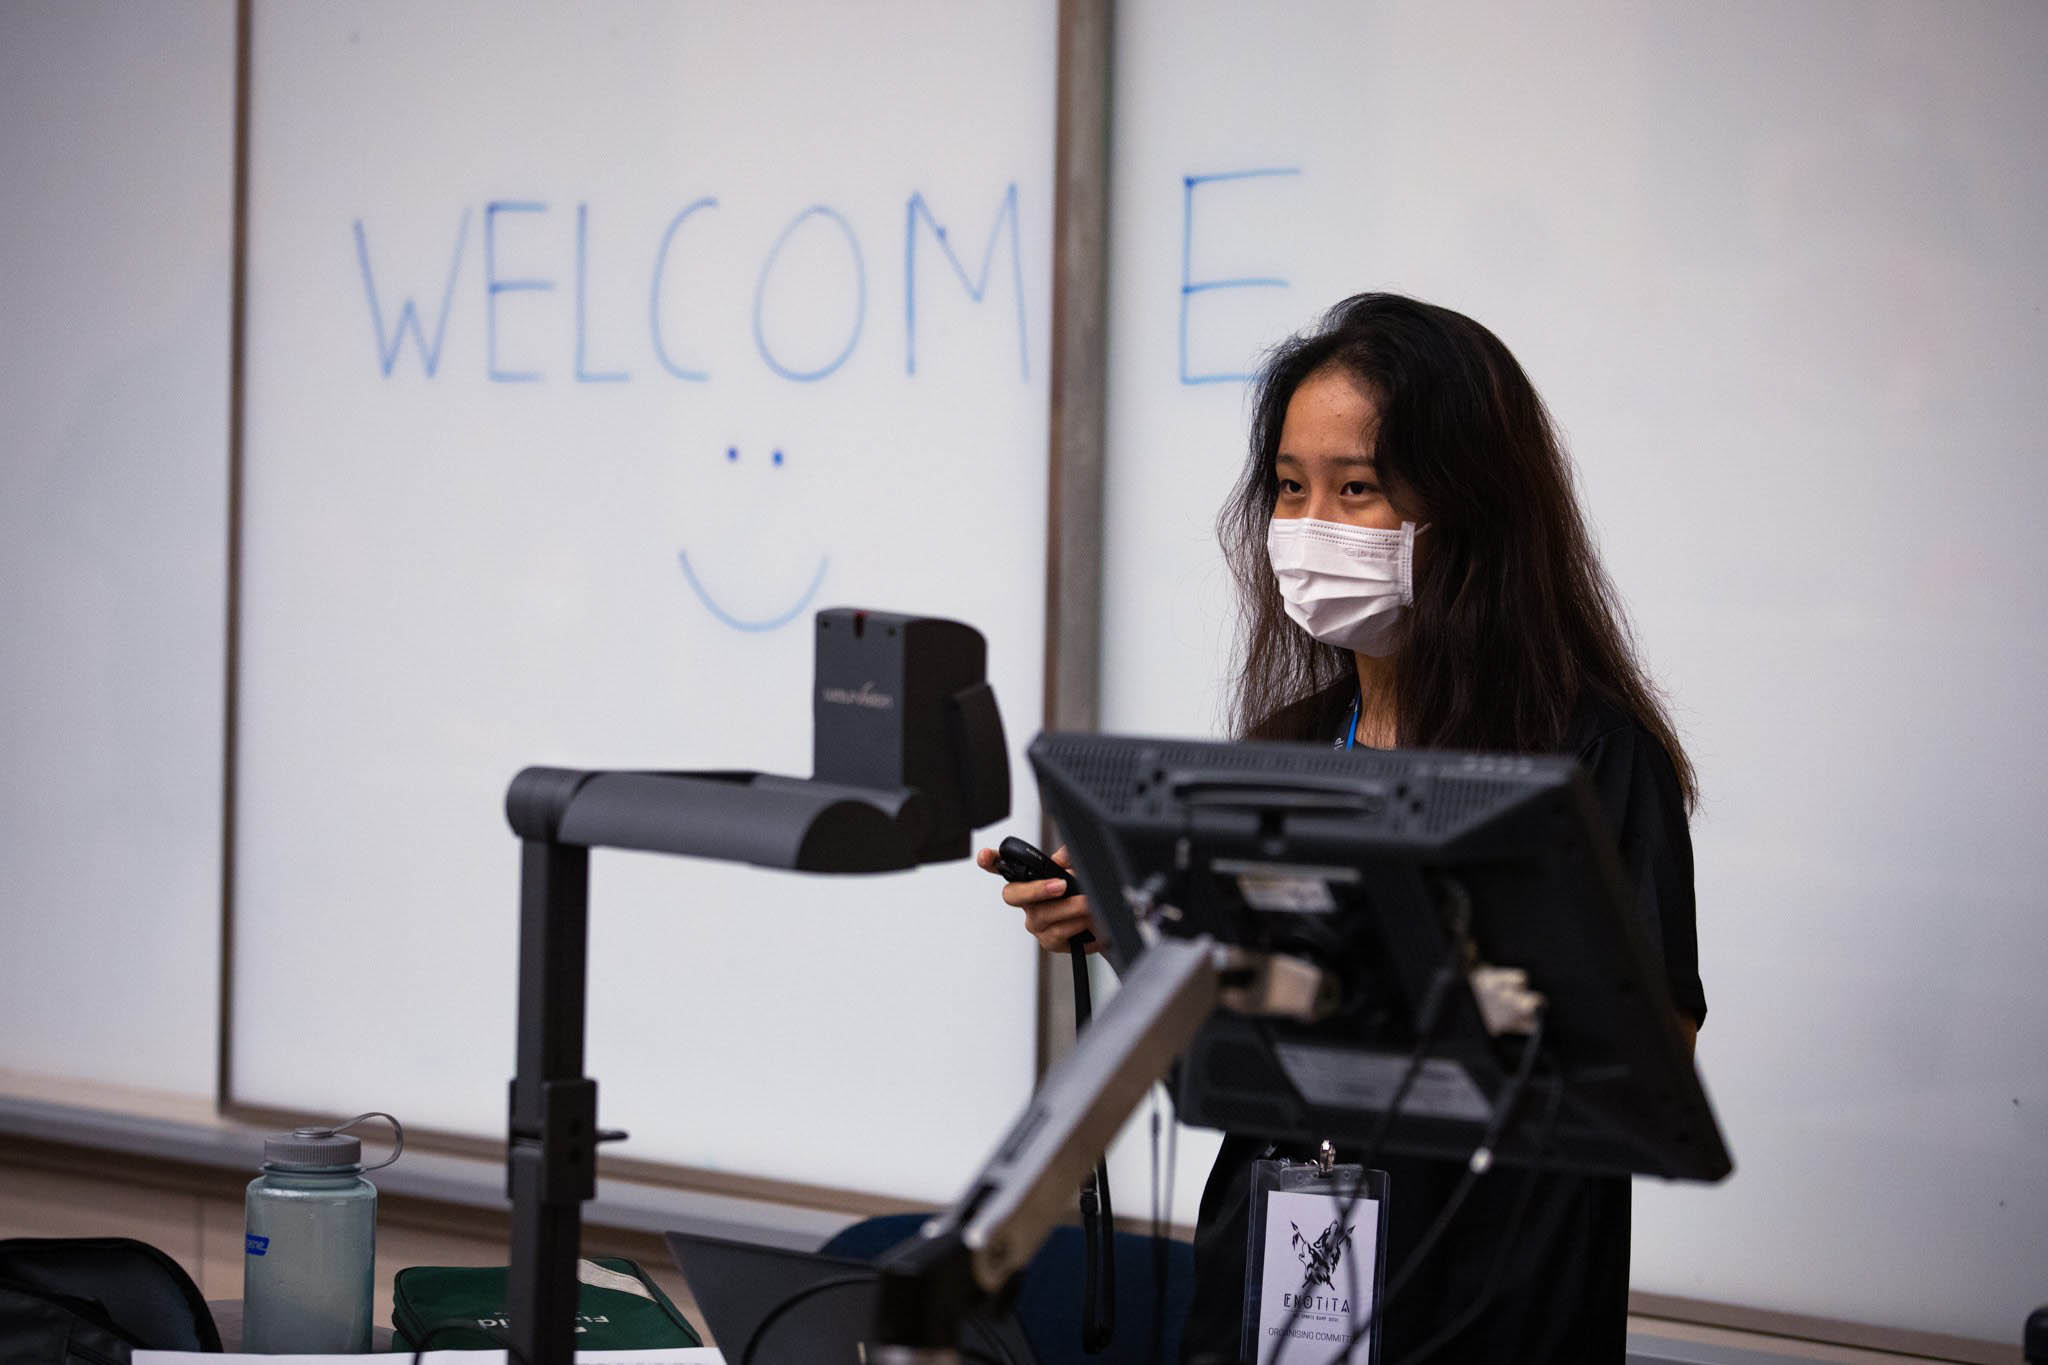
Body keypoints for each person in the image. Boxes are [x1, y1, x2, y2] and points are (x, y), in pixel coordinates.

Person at [978, 292, 1706, 1363]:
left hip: (1479, 1303)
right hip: (1268, 1279)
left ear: (1466, 505)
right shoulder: (1289, 742)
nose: (1308, 527)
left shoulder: (1587, 759)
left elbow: (1651, 1053)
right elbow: (1253, 1019)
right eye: (1287, 488)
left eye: (1355, 489)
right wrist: (1133, 924)